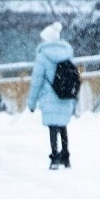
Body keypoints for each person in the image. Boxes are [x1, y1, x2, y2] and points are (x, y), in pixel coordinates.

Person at [27, 22, 76, 169]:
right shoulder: (67, 54)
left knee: (53, 127)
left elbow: (36, 82)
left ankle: (55, 157)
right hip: (65, 95)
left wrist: (32, 102)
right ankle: (66, 157)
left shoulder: (42, 57)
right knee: (63, 126)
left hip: (49, 96)